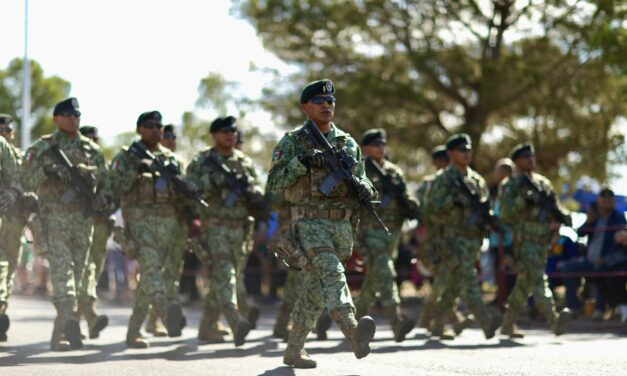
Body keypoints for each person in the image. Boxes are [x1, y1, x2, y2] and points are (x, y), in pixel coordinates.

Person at [267, 79, 377, 368]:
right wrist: (301, 162)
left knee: (316, 290)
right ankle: (352, 331)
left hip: (342, 228)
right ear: (305, 106)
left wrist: (366, 187)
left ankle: (294, 350)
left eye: (331, 101)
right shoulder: (292, 141)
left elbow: (364, 179)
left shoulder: (348, 143)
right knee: (331, 272)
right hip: (309, 223)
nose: (327, 105)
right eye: (319, 101)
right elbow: (274, 184)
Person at [21, 98, 108, 351]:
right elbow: (26, 180)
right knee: (63, 276)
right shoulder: (43, 147)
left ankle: (60, 334)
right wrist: (48, 171)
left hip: (83, 221)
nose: (73, 118)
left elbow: (106, 185)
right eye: (68, 114)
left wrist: (103, 197)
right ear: (56, 118)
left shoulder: (93, 149)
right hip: (55, 219)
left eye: (77, 114)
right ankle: (69, 322)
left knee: (80, 280)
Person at [109, 110, 186, 348]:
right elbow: (114, 186)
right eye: (150, 125)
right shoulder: (127, 156)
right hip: (140, 224)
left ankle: (133, 331)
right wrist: (136, 170)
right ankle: (167, 314)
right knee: (151, 270)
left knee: (150, 280)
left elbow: (180, 196)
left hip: (168, 226)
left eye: (159, 126)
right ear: (139, 129)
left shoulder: (170, 158)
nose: (156, 130)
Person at [186, 116, 264, 347]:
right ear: (214, 135)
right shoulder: (202, 161)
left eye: (233, 131)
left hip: (240, 229)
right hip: (215, 227)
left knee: (226, 277)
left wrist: (252, 190)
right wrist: (215, 181)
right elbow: (190, 189)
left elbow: (258, 188)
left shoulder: (244, 162)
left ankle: (206, 327)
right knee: (225, 273)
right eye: (224, 131)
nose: (230, 135)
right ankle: (235, 320)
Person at [422, 133, 501, 340]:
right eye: (461, 150)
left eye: (468, 150)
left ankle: (438, 323)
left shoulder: (476, 180)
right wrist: (454, 201)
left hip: (473, 238)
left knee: (455, 284)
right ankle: (486, 321)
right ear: (450, 153)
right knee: (468, 278)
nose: (466, 154)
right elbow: (430, 209)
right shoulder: (444, 179)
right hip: (451, 239)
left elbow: (486, 207)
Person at [499, 142, 572, 338]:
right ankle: (554, 320)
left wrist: (563, 217)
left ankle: (507, 324)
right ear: (516, 162)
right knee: (539, 279)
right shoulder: (511, 185)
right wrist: (523, 200)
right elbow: (504, 213)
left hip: (543, 240)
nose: (530, 160)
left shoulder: (543, 183)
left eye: (532, 156)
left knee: (524, 283)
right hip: (524, 241)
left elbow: (555, 206)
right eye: (525, 157)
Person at [353, 128, 418, 342]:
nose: (381, 148)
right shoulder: (359, 169)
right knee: (386, 271)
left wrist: (411, 205)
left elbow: (406, 195)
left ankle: (351, 321)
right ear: (365, 148)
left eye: (383, 144)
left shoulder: (394, 171)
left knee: (375, 276)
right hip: (370, 230)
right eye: (376, 144)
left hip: (393, 231)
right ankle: (396, 321)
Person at [558, 188, 626, 318]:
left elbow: (619, 242)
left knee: (599, 271)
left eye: (609, 197)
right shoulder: (594, 216)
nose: (606, 200)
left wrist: (605, 259)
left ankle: (599, 309)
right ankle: (574, 307)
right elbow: (580, 234)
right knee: (567, 267)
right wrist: (588, 221)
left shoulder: (618, 218)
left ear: (613, 201)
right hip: (588, 260)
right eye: (603, 197)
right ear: (598, 200)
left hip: (605, 261)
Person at [76, 125, 110, 339]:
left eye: (95, 139)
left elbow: (110, 186)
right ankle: (90, 317)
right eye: (89, 138)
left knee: (93, 275)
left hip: (100, 226)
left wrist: (106, 200)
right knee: (84, 273)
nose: (92, 142)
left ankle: (75, 324)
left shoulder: (100, 160)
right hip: (78, 224)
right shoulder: (74, 161)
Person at [0, 114, 26, 342]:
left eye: (8, 130)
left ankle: (1, 310)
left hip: (14, 221)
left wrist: (14, 194)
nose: (5, 134)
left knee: (6, 270)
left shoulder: (18, 155)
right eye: (2, 130)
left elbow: (23, 182)